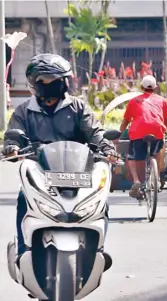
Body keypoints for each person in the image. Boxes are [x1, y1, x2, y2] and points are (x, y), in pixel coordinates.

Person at [2, 53, 118, 269]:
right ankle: (22, 252)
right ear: (36, 82)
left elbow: (95, 133)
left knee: (100, 202)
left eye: (60, 79)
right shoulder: (24, 110)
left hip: (77, 169)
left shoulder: (78, 107)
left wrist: (106, 147)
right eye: (49, 80)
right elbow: (12, 135)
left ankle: (99, 249)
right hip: (39, 171)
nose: (57, 83)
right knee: (22, 201)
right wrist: (11, 147)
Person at [119, 75, 167, 199]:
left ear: (141, 87)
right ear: (155, 88)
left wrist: (120, 136)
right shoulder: (162, 100)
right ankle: (156, 173)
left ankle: (136, 181)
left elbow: (125, 122)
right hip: (157, 131)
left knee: (132, 157)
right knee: (159, 150)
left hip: (138, 132)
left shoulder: (134, 101)